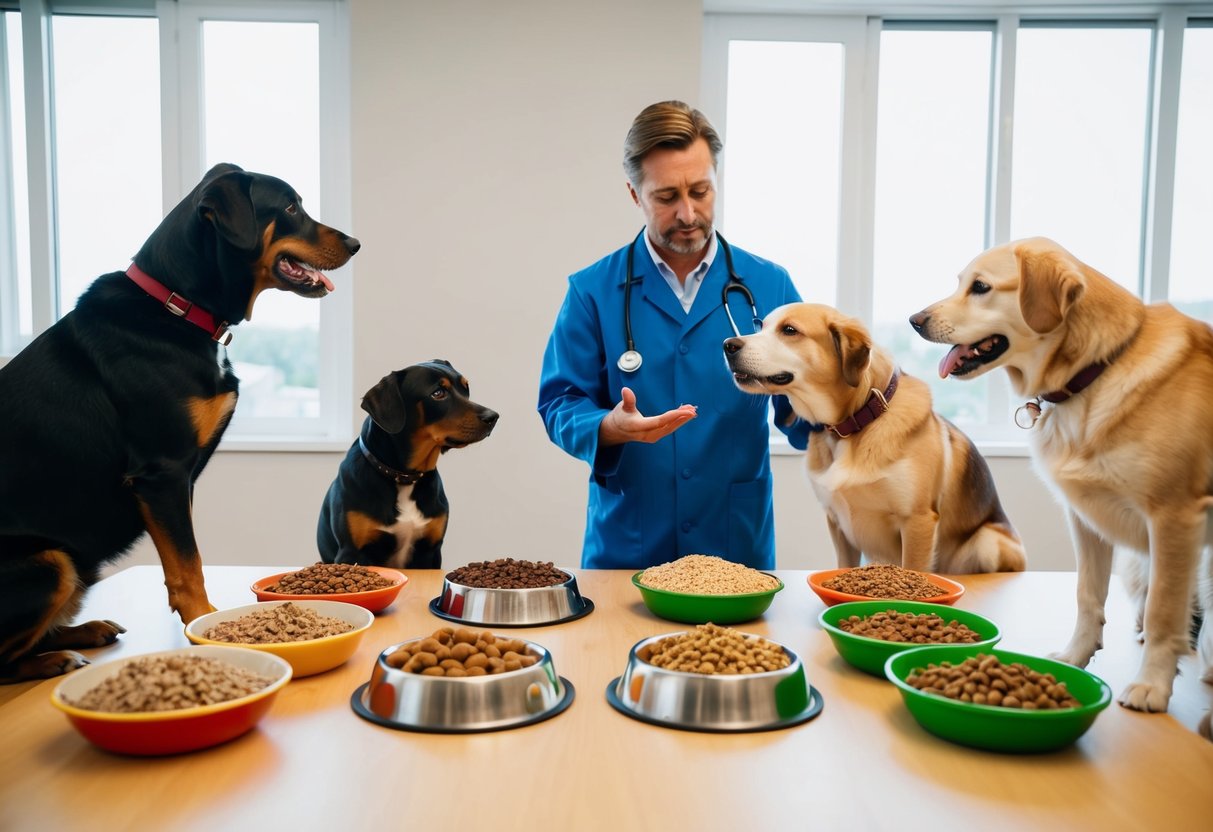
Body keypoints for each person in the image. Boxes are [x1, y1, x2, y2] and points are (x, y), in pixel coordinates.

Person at [537, 100, 811, 570]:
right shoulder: (592, 291)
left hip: (734, 548)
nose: (688, 213)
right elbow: (560, 402)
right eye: (667, 197)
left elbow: (803, 405)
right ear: (634, 194)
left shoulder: (770, 285)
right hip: (628, 547)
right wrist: (607, 427)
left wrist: (857, 411)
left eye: (701, 191)